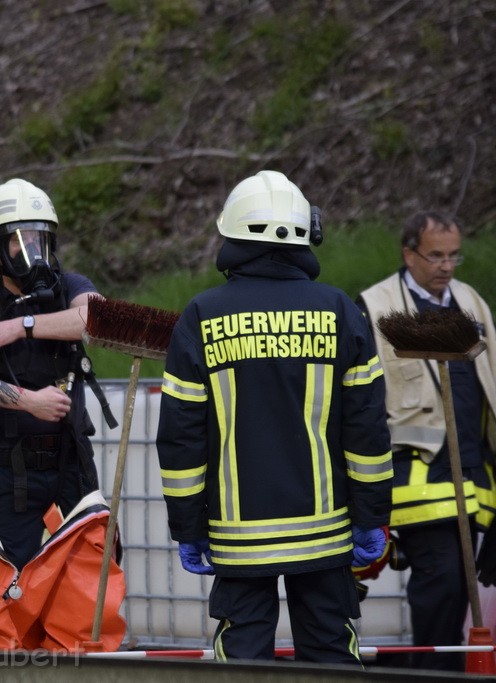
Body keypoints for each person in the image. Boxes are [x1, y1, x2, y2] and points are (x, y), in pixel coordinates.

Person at [155, 170, 393, 664]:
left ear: (233, 236)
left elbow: (181, 439)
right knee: (331, 654)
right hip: (327, 534)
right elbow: (366, 429)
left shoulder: (202, 316)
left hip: (238, 540)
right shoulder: (339, 311)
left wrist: (188, 526)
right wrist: (371, 517)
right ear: (307, 233)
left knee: (241, 659)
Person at [0, 177, 113, 570]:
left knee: (93, 574)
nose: (33, 250)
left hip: (74, 466)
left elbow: (98, 321)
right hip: (10, 473)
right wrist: (28, 402)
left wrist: (21, 326)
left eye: (40, 239)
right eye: (20, 240)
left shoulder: (69, 288)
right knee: (6, 583)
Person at [357, 210, 496, 671]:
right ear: (409, 253)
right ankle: (433, 674)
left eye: (454, 255)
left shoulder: (472, 304)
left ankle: (442, 670)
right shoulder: (375, 306)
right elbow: (363, 403)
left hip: (473, 479)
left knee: (459, 592)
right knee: (443, 587)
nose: (446, 266)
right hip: (416, 481)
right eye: (435, 255)